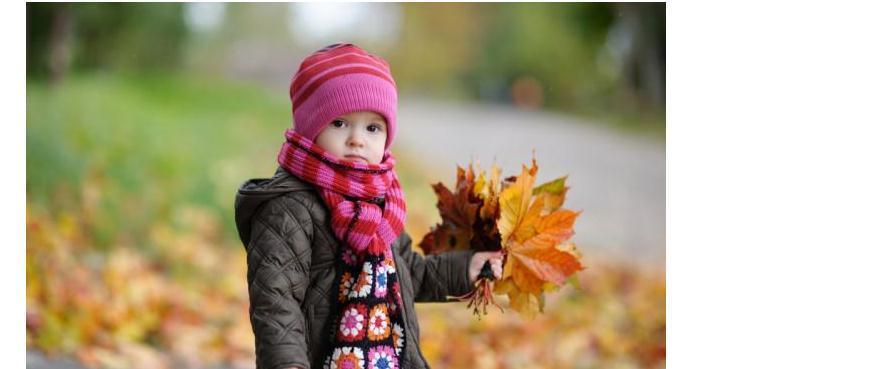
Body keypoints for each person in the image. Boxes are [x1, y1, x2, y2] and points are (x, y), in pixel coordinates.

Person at [234, 43, 503, 369]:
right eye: (339, 123)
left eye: (372, 127)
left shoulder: (381, 206)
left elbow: (409, 274)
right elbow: (276, 302)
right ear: (309, 127)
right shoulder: (288, 209)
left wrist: (466, 268)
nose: (357, 139)